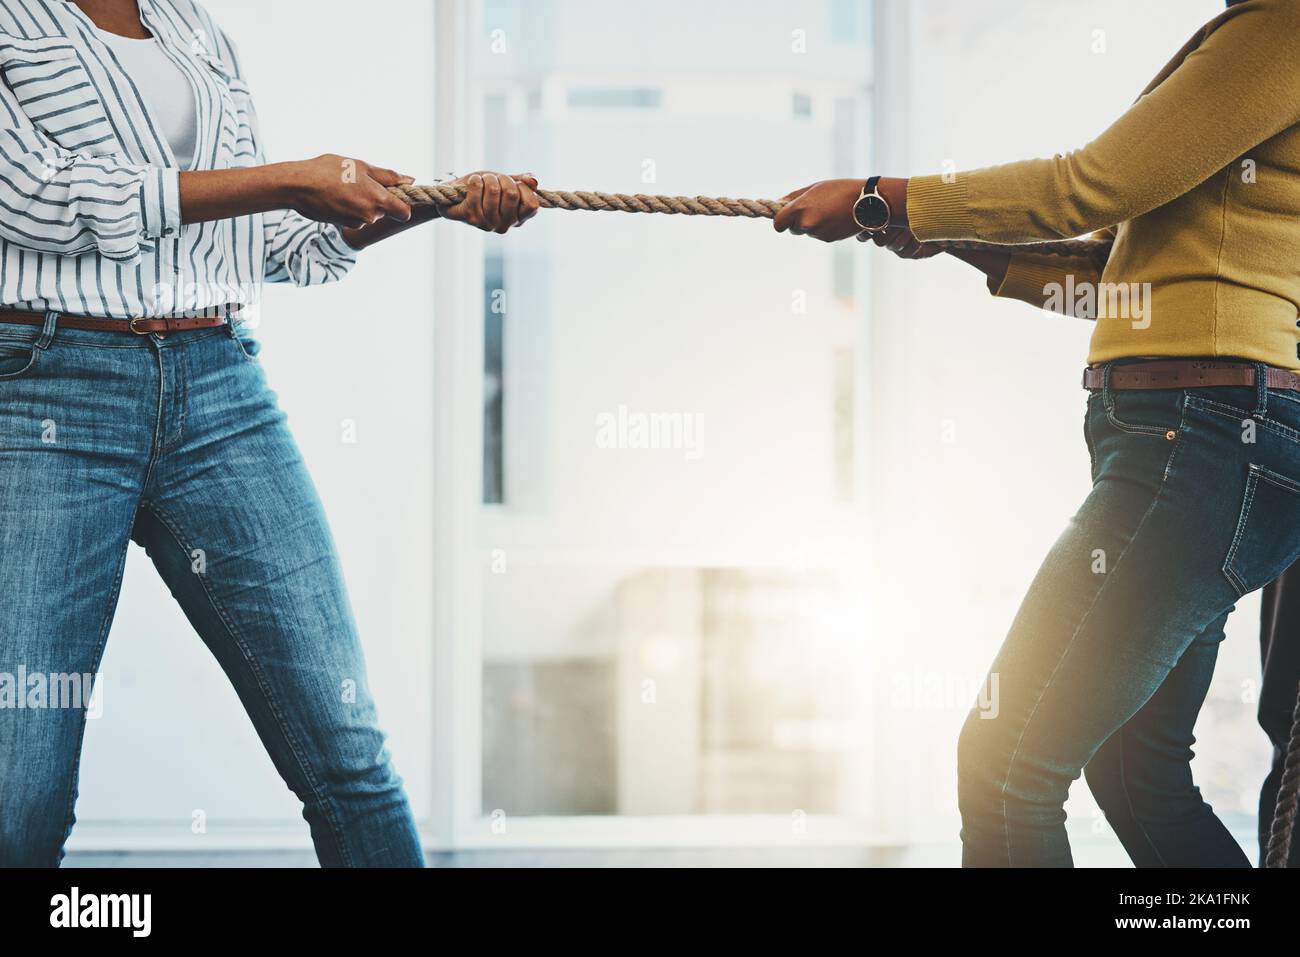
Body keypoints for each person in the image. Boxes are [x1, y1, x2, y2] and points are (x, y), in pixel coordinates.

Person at [0, 0, 539, 868]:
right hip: (45, 394)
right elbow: (36, 201)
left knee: (350, 755)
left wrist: (429, 204)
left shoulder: (190, 26)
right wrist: (290, 178)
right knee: (15, 799)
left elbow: (270, 241)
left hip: (219, 387)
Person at [775, 0, 1300, 866]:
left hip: (1200, 442)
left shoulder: (1281, 25)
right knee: (1138, 771)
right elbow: (1130, 288)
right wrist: (955, 236)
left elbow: (1090, 183)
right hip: (1204, 438)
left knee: (1005, 762)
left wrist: (886, 199)